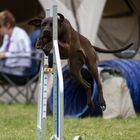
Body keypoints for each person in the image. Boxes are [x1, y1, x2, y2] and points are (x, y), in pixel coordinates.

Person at [0, 10, 32, 76]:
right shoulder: (7, 36)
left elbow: (27, 54)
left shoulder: (20, 35)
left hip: (20, 70)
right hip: (9, 66)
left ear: (8, 25)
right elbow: (2, 49)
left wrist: (5, 55)